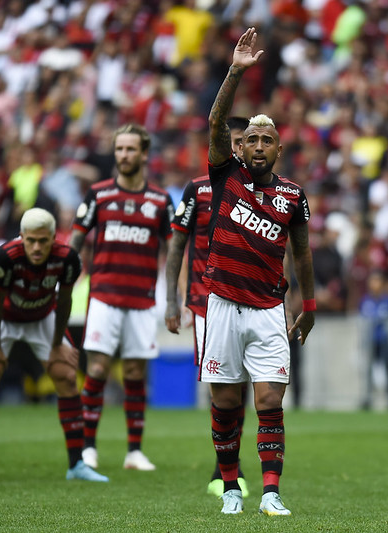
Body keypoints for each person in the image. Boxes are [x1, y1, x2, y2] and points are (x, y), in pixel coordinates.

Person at [200, 28, 315, 516]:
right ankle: (230, 488)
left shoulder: (294, 195)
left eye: (268, 139)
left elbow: (303, 254)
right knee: (227, 405)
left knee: (269, 400)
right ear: (241, 148)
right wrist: (236, 71)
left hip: (269, 308)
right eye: (252, 139)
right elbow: (215, 121)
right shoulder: (225, 175)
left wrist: (307, 305)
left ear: (279, 150)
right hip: (223, 303)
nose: (260, 145)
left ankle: (270, 493)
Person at [0, 208, 108, 483]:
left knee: (67, 375)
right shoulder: (5, 257)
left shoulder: (68, 259)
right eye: (31, 240)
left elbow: (64, 300)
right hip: (3, 317)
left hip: (42, 315)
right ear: (21, 237)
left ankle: (76, 465)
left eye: (44, 241)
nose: (37, 247)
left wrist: (57, 344)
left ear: (54, 238)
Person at [69, 123, 174, 472]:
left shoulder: (160, 201)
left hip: (142, 300)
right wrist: (64, 282)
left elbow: (174, 249)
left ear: (144, 154)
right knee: (97, 368)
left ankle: (134, 451)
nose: (124, 156)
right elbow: (77, 240)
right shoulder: (98, 194)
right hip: (103, 296)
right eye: (119, 149)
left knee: (134, 372)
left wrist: (174, 296)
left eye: (130, 149)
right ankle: (87, 447)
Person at [164, 116, 251, 498]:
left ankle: (230, 463)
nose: (237, 148)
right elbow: (177, 245)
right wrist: (174, 299)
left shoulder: (261, 191)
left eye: (242, 142)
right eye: (231, 140)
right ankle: (223, 468)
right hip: (205, 304)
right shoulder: (197, 190)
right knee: (221, 387)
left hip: (252, 302)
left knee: (246, 383)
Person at [359, 270, 388, 411]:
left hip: (385, 340)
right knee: (368, 371)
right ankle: (367, 398)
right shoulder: (365, 300)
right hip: (370, 341)